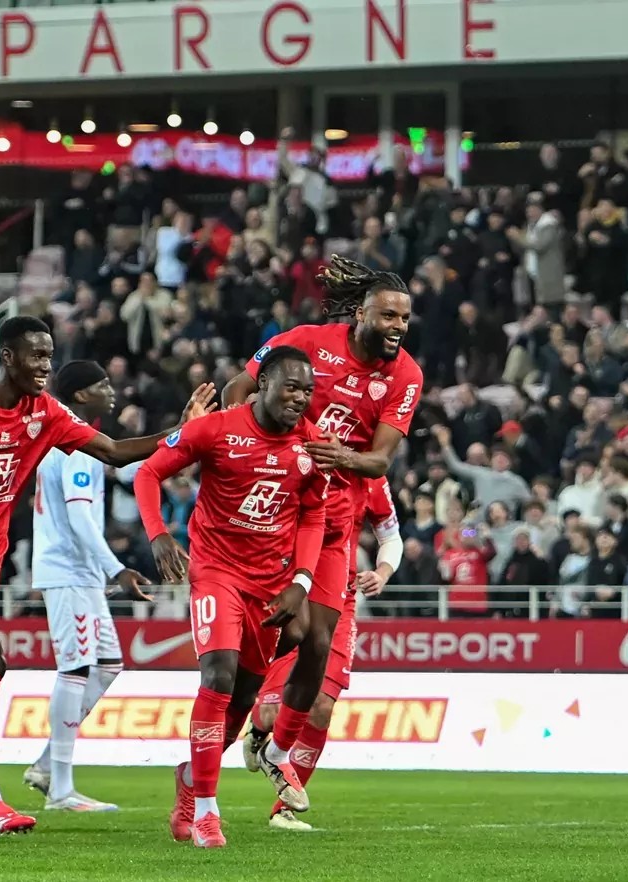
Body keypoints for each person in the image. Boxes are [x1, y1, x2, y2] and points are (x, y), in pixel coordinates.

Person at [0, 316, 214, 836]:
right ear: (7, 357)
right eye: (35, 356)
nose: (45, 366)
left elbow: (117, 453)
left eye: (49, 356)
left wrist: (184, 432)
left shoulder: (46, 413)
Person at [220, 256, 422, 808]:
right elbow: (239, 388)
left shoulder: (405, 375)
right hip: (274, 515)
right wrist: (230, 444)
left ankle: (274, 751)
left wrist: (346, 457)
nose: (398, 327)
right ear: (360, 313)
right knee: (256, 652)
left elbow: (380, 462)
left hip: (335, 524)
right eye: (388, 316)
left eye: (405, 318)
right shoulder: (306, 342)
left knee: (318, 643)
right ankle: (220, 751)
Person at [135, 345, 330, 848]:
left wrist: (301, 581)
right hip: (216, 571)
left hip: (271, 585)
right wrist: (158, 534)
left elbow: (313, 514)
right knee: (217, 674)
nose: (299, 399)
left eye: (308, 391)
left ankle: (188, 781)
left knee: (242, 699)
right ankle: (206, 813)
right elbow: (148, 472)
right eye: (291, 387)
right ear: (262, 384)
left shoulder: (311, 447)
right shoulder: (217, 429)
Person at [23, 361, 154, 811]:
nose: (111, 391)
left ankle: (45, 764)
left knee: (108, 664)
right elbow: (79, 518)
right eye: (101, 385)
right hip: (69, 571)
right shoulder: (77, 448)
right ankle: (59, 788)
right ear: (80, 395)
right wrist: (116, 568)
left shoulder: (75, 442)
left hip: (79, 573)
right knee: (76, 668)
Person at [243, 475, 403, 830]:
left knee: (322, 707)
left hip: (339, 599)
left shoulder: (370, 475)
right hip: (289, 593)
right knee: (271, 713)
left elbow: (390, 536)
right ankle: (256, 730)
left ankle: (282, 808)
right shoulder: (295, 460)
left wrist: (383, 571)